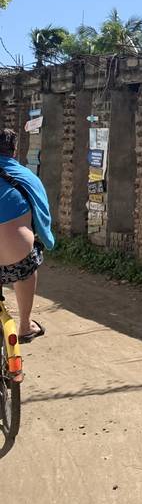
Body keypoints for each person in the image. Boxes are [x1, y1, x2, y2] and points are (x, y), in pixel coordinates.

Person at [0, 127, 54, 343]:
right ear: (14, 150)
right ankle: (25, 325)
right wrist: (46, 238)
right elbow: (42, 213)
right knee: (27, 267)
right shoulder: (27, 177)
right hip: (16, 253)